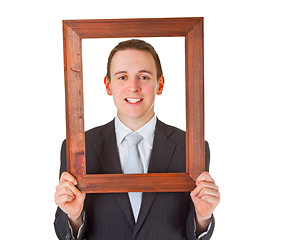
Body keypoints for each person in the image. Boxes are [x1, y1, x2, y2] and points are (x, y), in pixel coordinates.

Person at [54, 39, 220, 240]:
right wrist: (74, 216)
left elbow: (191, 230)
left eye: (143, 76)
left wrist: (202, 217)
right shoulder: (79, 148)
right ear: (108, 85)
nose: (133, 87)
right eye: (122, 77)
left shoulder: (192, 148)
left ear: (159, 84)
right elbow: (65, 232)